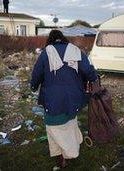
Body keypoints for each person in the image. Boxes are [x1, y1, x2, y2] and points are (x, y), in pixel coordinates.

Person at [30, 30, 97, 167]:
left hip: (52, 98)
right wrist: (94, 79)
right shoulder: (75, 51)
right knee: (70, 122)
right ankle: (69, 149)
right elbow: (88, 69)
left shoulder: (46, 54)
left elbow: (37, 74)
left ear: (50, 40)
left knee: (53, 127)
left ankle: (63, 155)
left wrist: (33, 86)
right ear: (63, 38)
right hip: (74, 96)